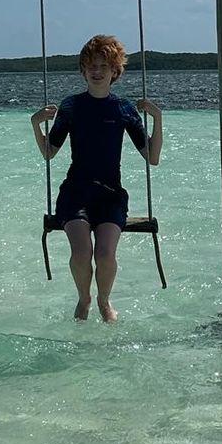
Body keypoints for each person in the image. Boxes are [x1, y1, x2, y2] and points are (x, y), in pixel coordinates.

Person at [31, 34, 162, 322]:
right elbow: (49, 153)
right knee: (81, 254)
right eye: (91, 65)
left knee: (104, 256)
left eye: (104, 65)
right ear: (82, 70)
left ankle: (104, 300)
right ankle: (84, 298)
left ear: (115, 71)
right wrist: (36, 125)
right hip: (75, 192)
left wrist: (157, 118)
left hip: (110, 194)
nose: (97, 71)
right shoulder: (71, 107)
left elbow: (151, 157)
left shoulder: (124, 109)